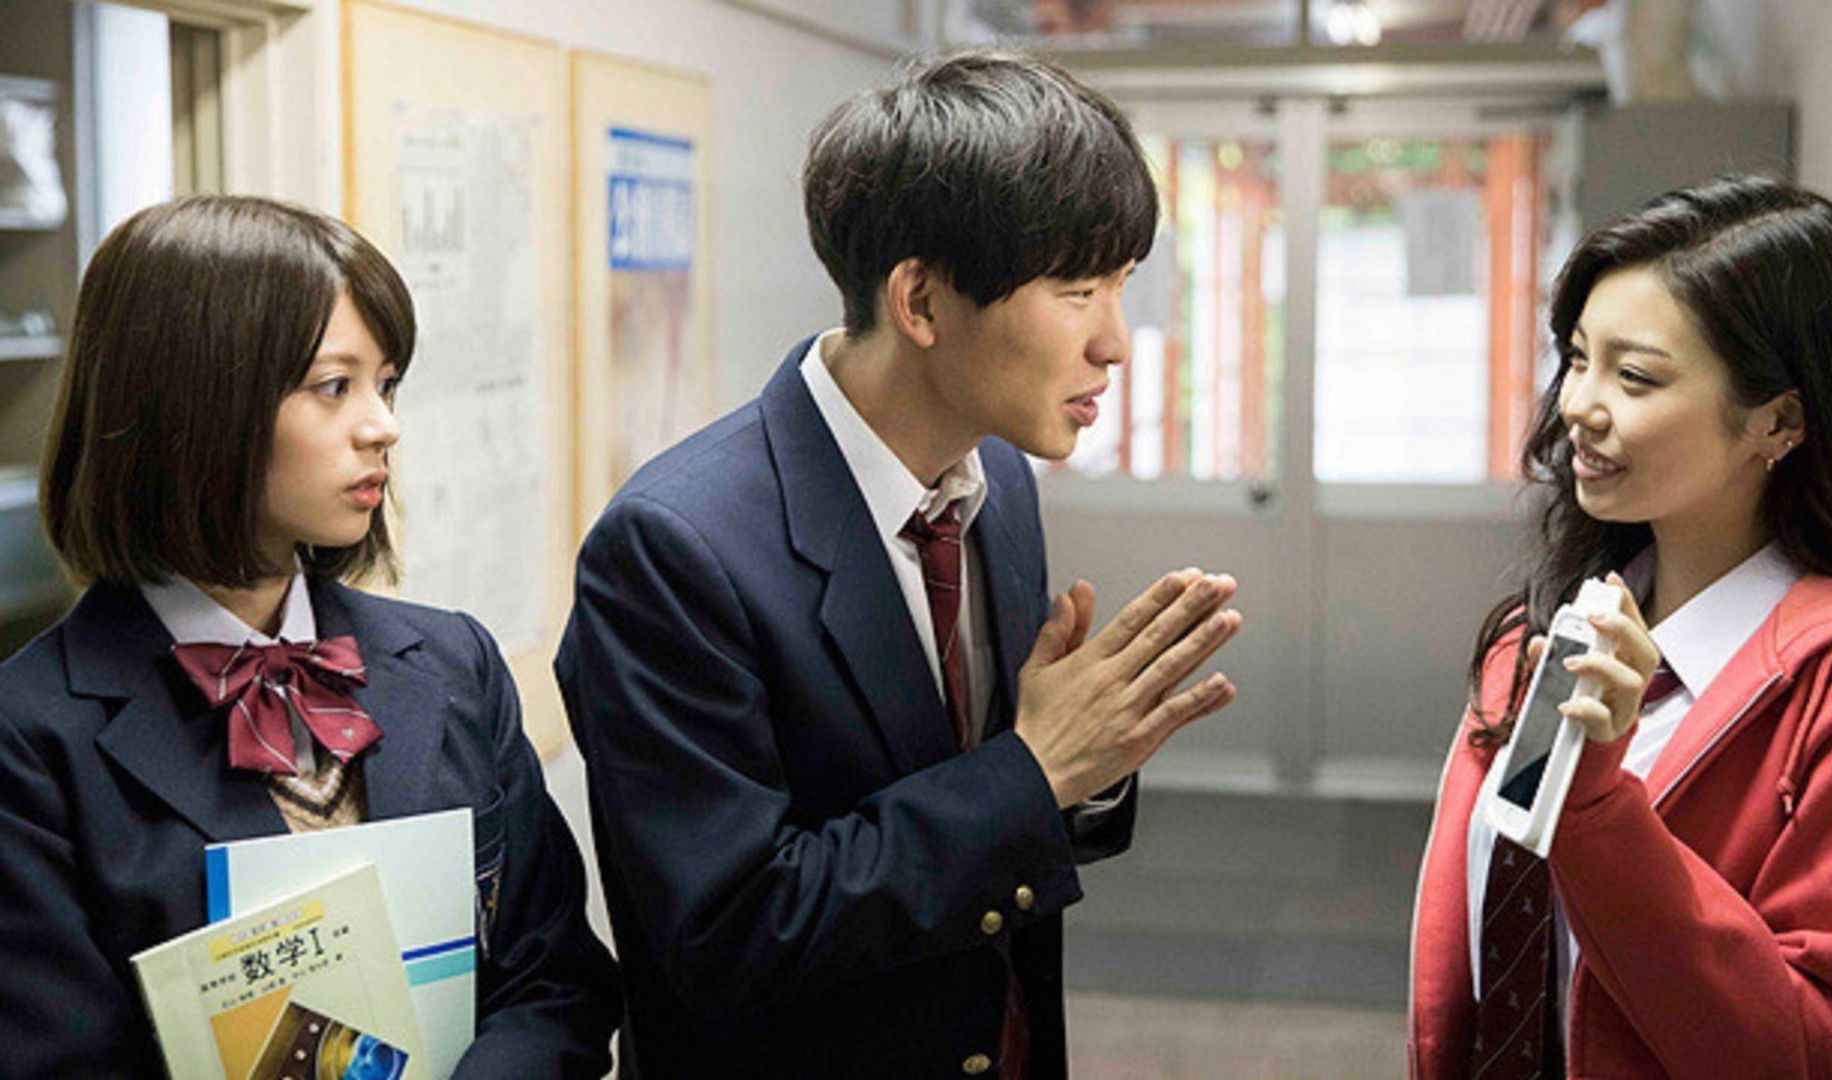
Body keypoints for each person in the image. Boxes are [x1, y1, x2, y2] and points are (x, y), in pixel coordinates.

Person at [556, 50, 1241, 1079]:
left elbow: (1002, 827)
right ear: (921, 302)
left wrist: (1086, 762)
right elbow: (731, 932)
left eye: (1122, 287)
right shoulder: (673, 549)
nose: (1115, 342)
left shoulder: (997, 478)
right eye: (1076, 289)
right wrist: (1037, 768)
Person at [0, 195, 620, 1077]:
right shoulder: (30, 740)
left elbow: (555, 982)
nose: (382, 425)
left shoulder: (455, 662)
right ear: (196, 405)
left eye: (386, 384)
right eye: (335, 387)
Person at [1408, 174, 1832, 1079]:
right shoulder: (1545, 631)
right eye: (1577, 358)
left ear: (1779, 421)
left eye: (1635, 376)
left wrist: (1600, 814)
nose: (1578, 405)